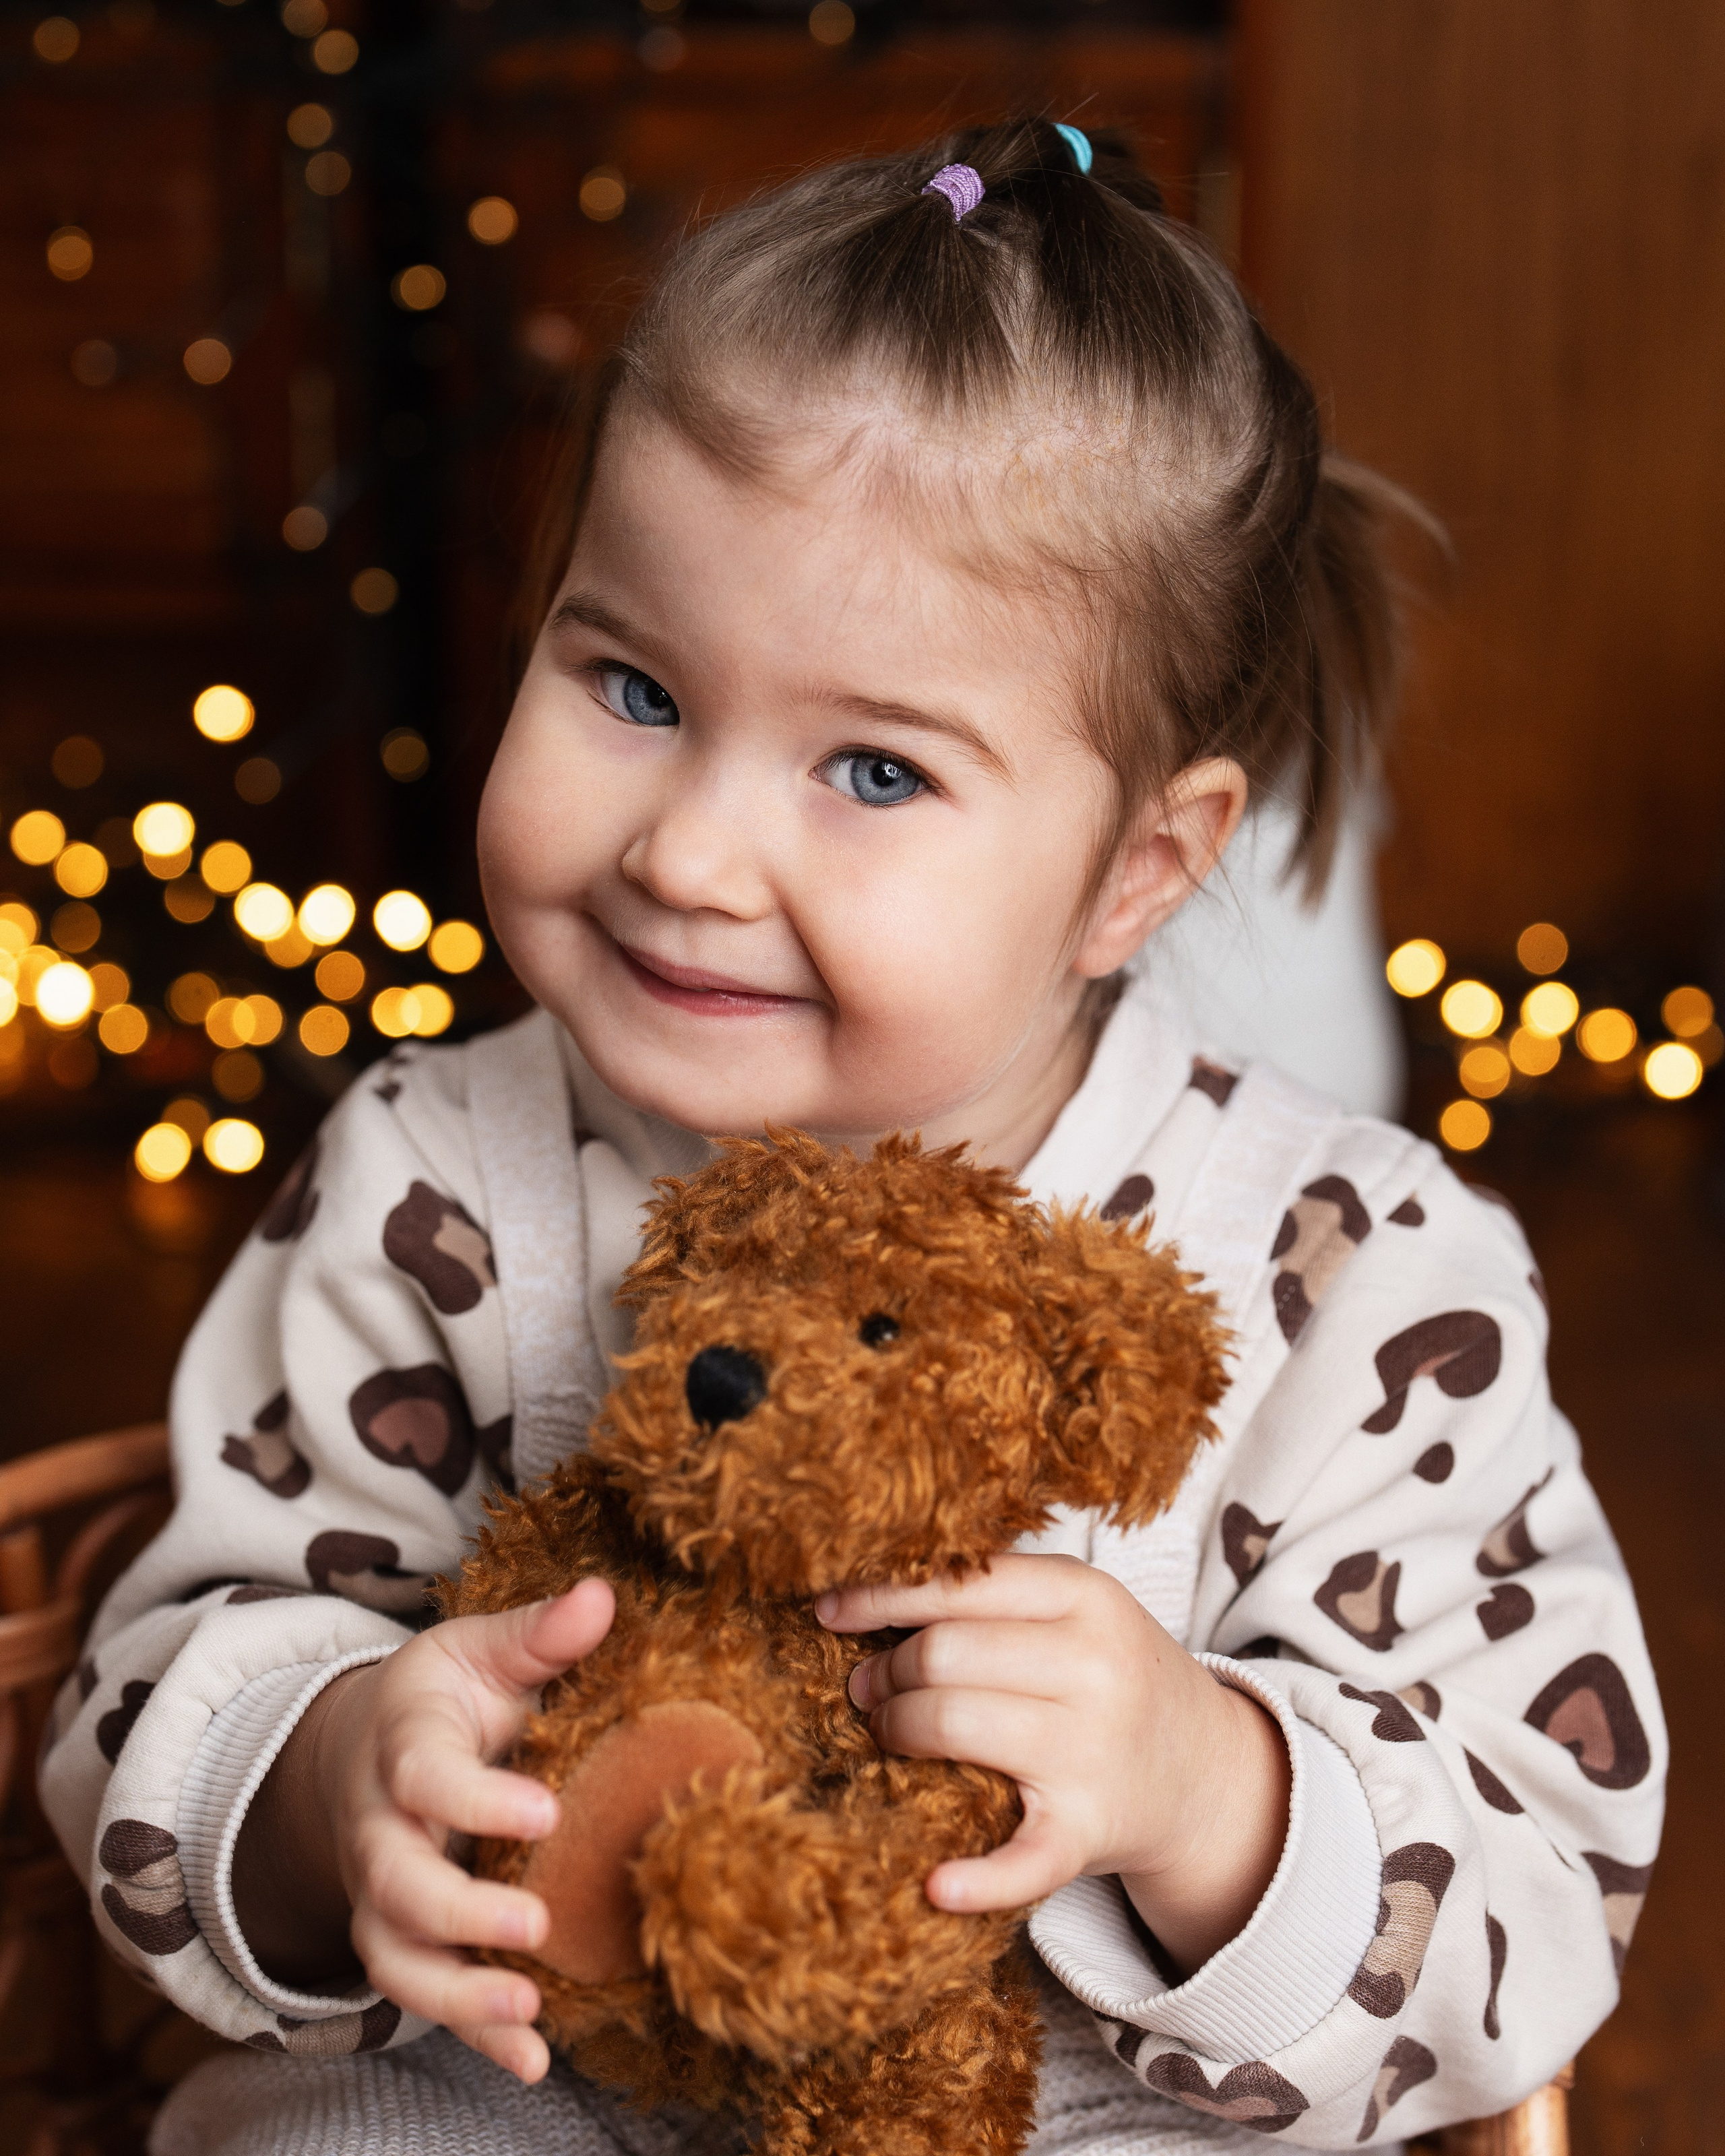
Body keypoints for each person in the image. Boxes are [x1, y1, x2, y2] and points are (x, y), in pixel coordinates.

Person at [43, 121, 1661, 2156]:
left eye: (875, 767)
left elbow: (1542, 1877)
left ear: (1138, 875)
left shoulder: (1352, 1273)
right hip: (522, 2074)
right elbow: (147, 1682)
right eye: (629, 682)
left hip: (1086, 2112)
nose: (693, 852)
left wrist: (1210, 1791)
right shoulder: (434, 1174)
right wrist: (325, 1773)